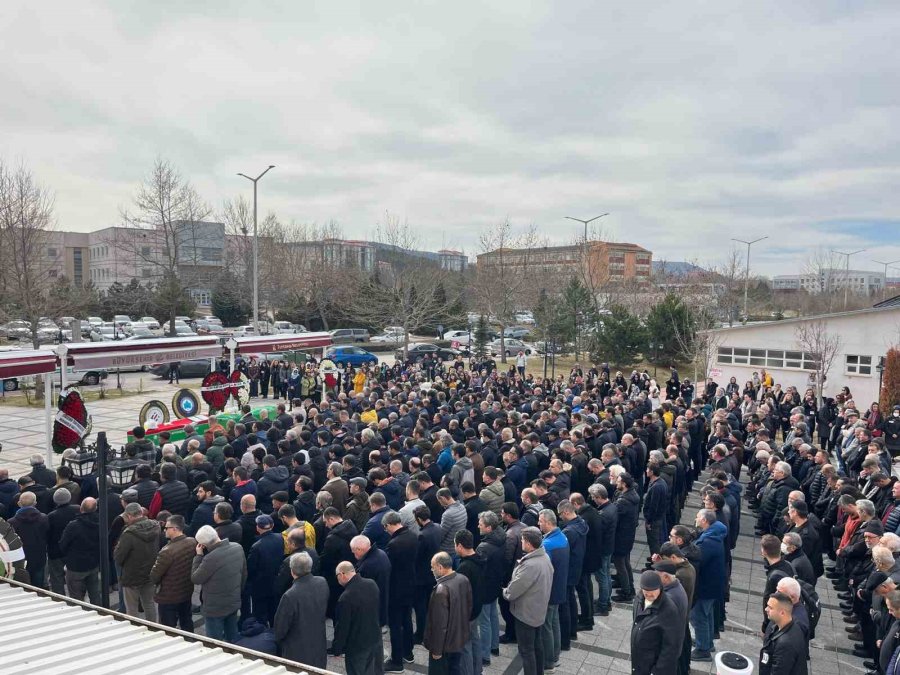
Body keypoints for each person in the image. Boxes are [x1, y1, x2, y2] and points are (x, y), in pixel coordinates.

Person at [503, 527, 553, 675]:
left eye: (523, 540)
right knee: (537, 646)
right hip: (538, 610)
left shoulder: (530, 565)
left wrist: (504, 591)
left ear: (529, 543)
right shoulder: (544, 557)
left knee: (526, 651)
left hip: (526, 614)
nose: (521, 542)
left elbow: (513, 591)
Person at [191, 525, 247, 643]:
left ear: (204, 545)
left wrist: (198, 556)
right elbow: (243, 575)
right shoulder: (238, 547)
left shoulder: (210, 558)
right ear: (216, 535)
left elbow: (196, 578)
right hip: (233, 601)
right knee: (232, 637)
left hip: (214, 608)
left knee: (214, 643)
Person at [273, 551, 329, 668]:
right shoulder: (322, 582)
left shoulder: (290, 595)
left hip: (296, 651)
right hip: (318, 645)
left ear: (292, 571)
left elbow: (280, 629)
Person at [424, 551, 472, 675]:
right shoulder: (463, 579)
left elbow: (440, 625)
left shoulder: (441, 591)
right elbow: (468, 607)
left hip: (444, 646)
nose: (431, 570)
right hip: (459, 639)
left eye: (432, 567)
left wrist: (437, 650)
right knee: (455, 669)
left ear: (440, 567)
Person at [332, 561, 384, 675]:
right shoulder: (371, 584)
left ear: (342, 574)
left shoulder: (345, 598)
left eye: (337, 577)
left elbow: (342, 627)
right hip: (374, 638)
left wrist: (337, 649)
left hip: (357, 647)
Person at [690, 508, 727, 662]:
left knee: (698, 617)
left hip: (706, 586)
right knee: (707, 614)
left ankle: (703, 649)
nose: (696, 519)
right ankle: (706, 641)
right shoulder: (713, 535)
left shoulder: (708, 541)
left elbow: (698, 560)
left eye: (698, 517)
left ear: (705, 521)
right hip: (713, 585)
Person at [114, 502, 161, 622]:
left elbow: (119, 557)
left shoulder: (128, 533)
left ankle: (134, 630)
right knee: (149, 603)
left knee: (132, 607)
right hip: (151, 571)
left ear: (129, 516)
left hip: (131, 575)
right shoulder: (156, 526)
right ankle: (153, 627)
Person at [383, 510, 418, 672]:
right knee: (407, 620)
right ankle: (408, 653)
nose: (386, 530)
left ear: (390, 524)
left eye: (386, 528)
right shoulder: (412, 535)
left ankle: (396, 661)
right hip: (410, 585)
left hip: (396, 589)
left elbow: (388, 567)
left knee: (395, 625)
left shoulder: (394, 543)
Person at [630, 571, 683, 675]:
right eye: (646, 591)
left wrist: (656, 672)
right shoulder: (639, 599)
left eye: (653, 590)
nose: (649, 594)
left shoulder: (669, 610)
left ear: (660, 587)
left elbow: (671, 648)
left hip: (654, 669)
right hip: (639, 664)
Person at [150, 514, 197, 631]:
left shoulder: (167, 551)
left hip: (168, 596)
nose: (164, 530)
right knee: (186, 621)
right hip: (186, 591)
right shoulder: (192, 542)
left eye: (167, 528)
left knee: (168, 629)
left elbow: (154, 576)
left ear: (175, 529)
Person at [538, 509, 569, 672]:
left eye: (541, 521)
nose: (538, 524)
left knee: (546, 626)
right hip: (559, 588)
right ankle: (556, 655)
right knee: (554, 622)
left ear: (549, 523)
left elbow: (544, 570)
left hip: (549, 592)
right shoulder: (563, 537)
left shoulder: (547, 545)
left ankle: (549, 660)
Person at [58, 497, 101, 605]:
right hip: (93, 563)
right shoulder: (101, 523)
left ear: (81, 509)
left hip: (75, 566)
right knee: (95, 593)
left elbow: (63, 544)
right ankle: (100, 614)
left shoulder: (73, 526)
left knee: (75, 597)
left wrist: (66, 558)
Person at [247, 514, 285, 627]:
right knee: (274, 612)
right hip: (276, 583)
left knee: (260, 616)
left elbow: (251, 568)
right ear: (272, 526)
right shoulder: (280, 538)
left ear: (258, 527)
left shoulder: (256, 546)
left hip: (260, 587)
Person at [759, 592, 808, 675]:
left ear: (782, 613)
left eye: (770, 608)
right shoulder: (790, 624)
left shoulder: (785, 644)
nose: (766, 609)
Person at [8, 491, 49, 588]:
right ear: (35, 503)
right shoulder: (44, 518)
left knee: (23, 587)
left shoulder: (11, 522)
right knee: (38, 586)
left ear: (19, 503)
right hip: (39, 556)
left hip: (20, 559)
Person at [352, 534, 392, 628]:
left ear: (359, 550)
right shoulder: (381, 553)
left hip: (372, 610)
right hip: (383, 601)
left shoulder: (367, 566)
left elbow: (361, 591)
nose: (353, 554)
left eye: (354, 552)